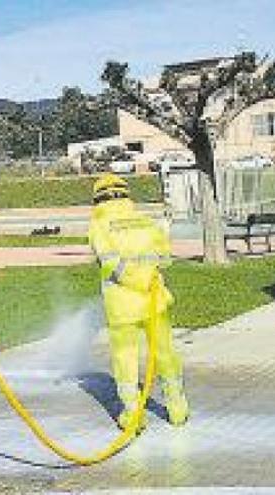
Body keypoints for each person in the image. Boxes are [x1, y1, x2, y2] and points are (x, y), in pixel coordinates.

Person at [87, 173, 189, 430]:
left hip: (122, 306)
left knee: (125, 357)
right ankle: (178, 410)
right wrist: (148, 277)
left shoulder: (99, 226)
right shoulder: (146, 222)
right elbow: (165, 259)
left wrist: (135, 281)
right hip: (156, 301)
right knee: (166, 354)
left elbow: (110, 263)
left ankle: (133, 416)